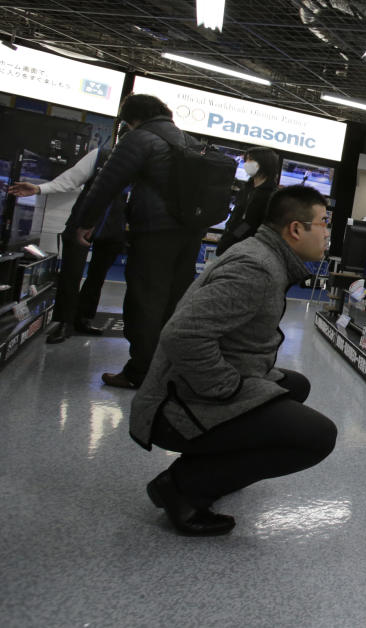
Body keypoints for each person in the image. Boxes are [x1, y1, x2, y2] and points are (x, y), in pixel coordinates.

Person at [130, 185, 338, 536]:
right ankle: (183, 487)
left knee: (294, 385)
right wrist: (227, 389)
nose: (328, 233)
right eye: (323, 223)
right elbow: (183, 335)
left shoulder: (265, 257)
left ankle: (213, 465)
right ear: (296, 229)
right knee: (318, 436)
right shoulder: (256, 268)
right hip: (174, 405)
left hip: (190, 388)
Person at [74, 94, 206, 389]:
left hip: (153, 232)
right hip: (189, 235)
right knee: (173, 302)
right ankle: (166, 369)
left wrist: (86, 221)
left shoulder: (140, 139)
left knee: (144, 301)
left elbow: (106, 183)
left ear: (131, 120)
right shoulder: (191, 142)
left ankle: (139, 372)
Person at [8, 135, 127, 344]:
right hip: (83, 219)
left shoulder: (145, 165)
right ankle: (64, 322)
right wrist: (39, 188)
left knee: (97, 277)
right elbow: (71, 178)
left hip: (114, 226)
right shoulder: (101, 156)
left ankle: (83, 318)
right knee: (71, 273)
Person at [215, 147, 280, 255]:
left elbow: (249, 223)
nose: (246, 163)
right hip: (231, 242)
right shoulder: (247, 188)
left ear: (263, 163)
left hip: (247, 249)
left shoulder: (270, 195)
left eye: (250, 160)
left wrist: (230, 240)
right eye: (246, 160)